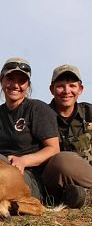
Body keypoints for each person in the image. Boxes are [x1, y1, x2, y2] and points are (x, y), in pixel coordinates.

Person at [0, 57, 60, 202]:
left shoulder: (37, 109)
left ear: (28, 85)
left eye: (21, 81)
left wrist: (23, 161)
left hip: (29, 176)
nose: (15, 85)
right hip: (0, 171)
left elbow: (53, 149)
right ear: (1, 81)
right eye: (10, 78)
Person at [42, 64, 92, 208]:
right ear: (52, 89)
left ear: (80, 89)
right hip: (54, 182)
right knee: (62, 159)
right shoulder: (41, 116)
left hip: (85, 177)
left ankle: (82, 197)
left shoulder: (89, 112)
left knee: (77, 194)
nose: (66, 91)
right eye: (61, 86)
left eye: (72, 86)